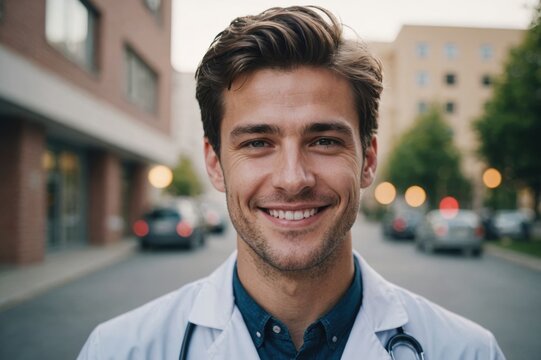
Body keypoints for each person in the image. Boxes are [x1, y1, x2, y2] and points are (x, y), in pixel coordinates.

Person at [78, 6, 505, 360]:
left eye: (323, 140)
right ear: (215, 164)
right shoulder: (119, 349)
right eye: (259, 142)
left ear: (368, 160)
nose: (292, 179)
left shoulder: (467, 351)